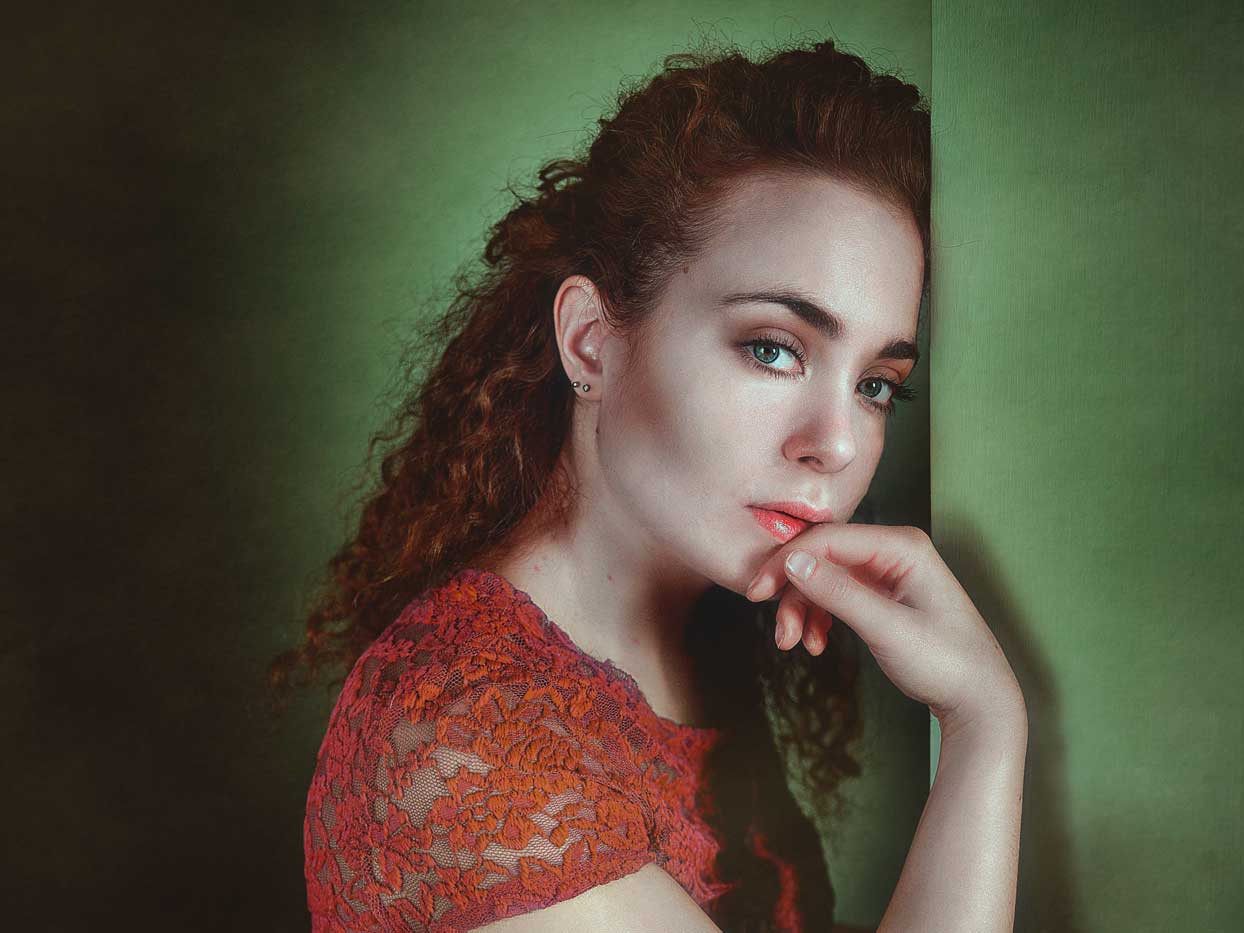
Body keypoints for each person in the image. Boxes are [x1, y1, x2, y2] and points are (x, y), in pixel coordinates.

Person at [271, 39, 1027, 932]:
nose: (835, 443)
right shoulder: (462, 737)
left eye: (875, 385)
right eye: (773, 348)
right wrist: (984, 730)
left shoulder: (703, 635)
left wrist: (986, 717)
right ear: (591, 342)